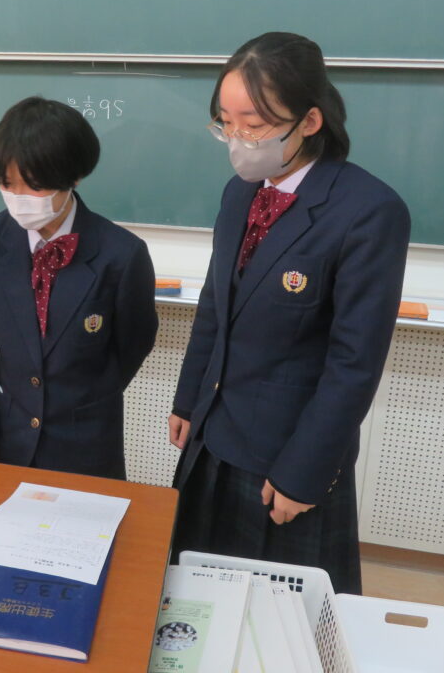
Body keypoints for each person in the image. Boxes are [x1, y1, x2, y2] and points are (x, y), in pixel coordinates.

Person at [167, 33, 410, 593]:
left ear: (310, 121)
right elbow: (215, 305)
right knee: (195, 598)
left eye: (253, 124)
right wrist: (188, 398)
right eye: (225, 122)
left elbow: (354, 363)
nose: (237, 139)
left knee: (277, 614)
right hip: (213, 435)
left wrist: (305, 472)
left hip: (285, 457)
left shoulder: (369, 211)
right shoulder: (240, 193)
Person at [0, 96, 159, 479]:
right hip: (5, 441)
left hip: (86, 448)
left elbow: (133, 344)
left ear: (73, 177)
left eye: (34, 186)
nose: (19, 198)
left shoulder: (122, 254)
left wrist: (84, 399)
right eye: (7, 184)